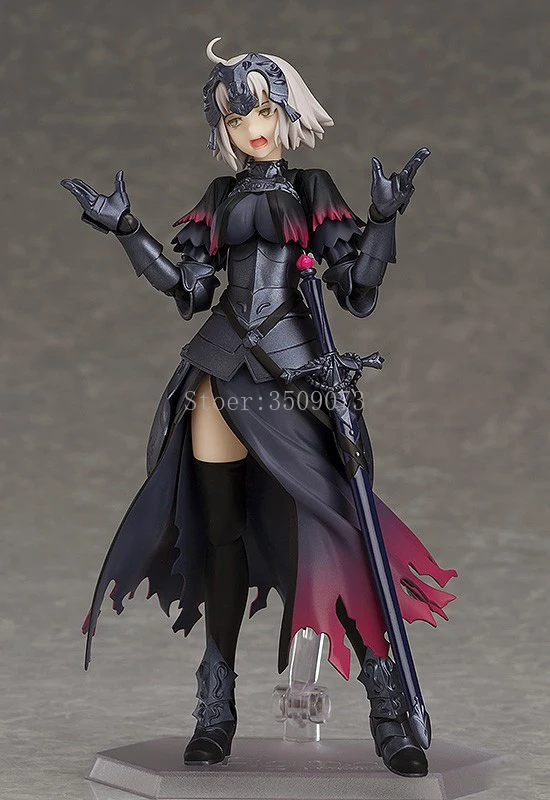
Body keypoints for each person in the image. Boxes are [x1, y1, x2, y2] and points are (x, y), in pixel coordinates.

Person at [61, 38, 456, 777]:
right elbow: (190, 291)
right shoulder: (218, 199)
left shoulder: (311, 187)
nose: (253, 129)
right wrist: (128, 231)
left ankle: (388, 709)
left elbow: (356, 290)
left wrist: (384, 219)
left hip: (296, 374)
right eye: (237, 118)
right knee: (221, 537)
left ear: (286, 111)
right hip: (221, 369)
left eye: (264, 112)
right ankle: (215, 708)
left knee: (336, 525)